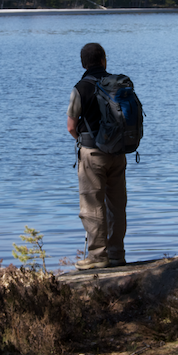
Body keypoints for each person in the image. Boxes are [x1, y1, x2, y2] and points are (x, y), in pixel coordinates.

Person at [66, 42, 128, 270]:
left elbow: (71, 126)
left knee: (92, 206)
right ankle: (117, 255)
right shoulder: (119, 83)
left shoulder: (80, 88)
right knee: (117, 205)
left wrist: (82, 142)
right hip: (118, 153)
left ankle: (97, 256)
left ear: (84, 63)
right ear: (104, 59)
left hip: (92, 154)